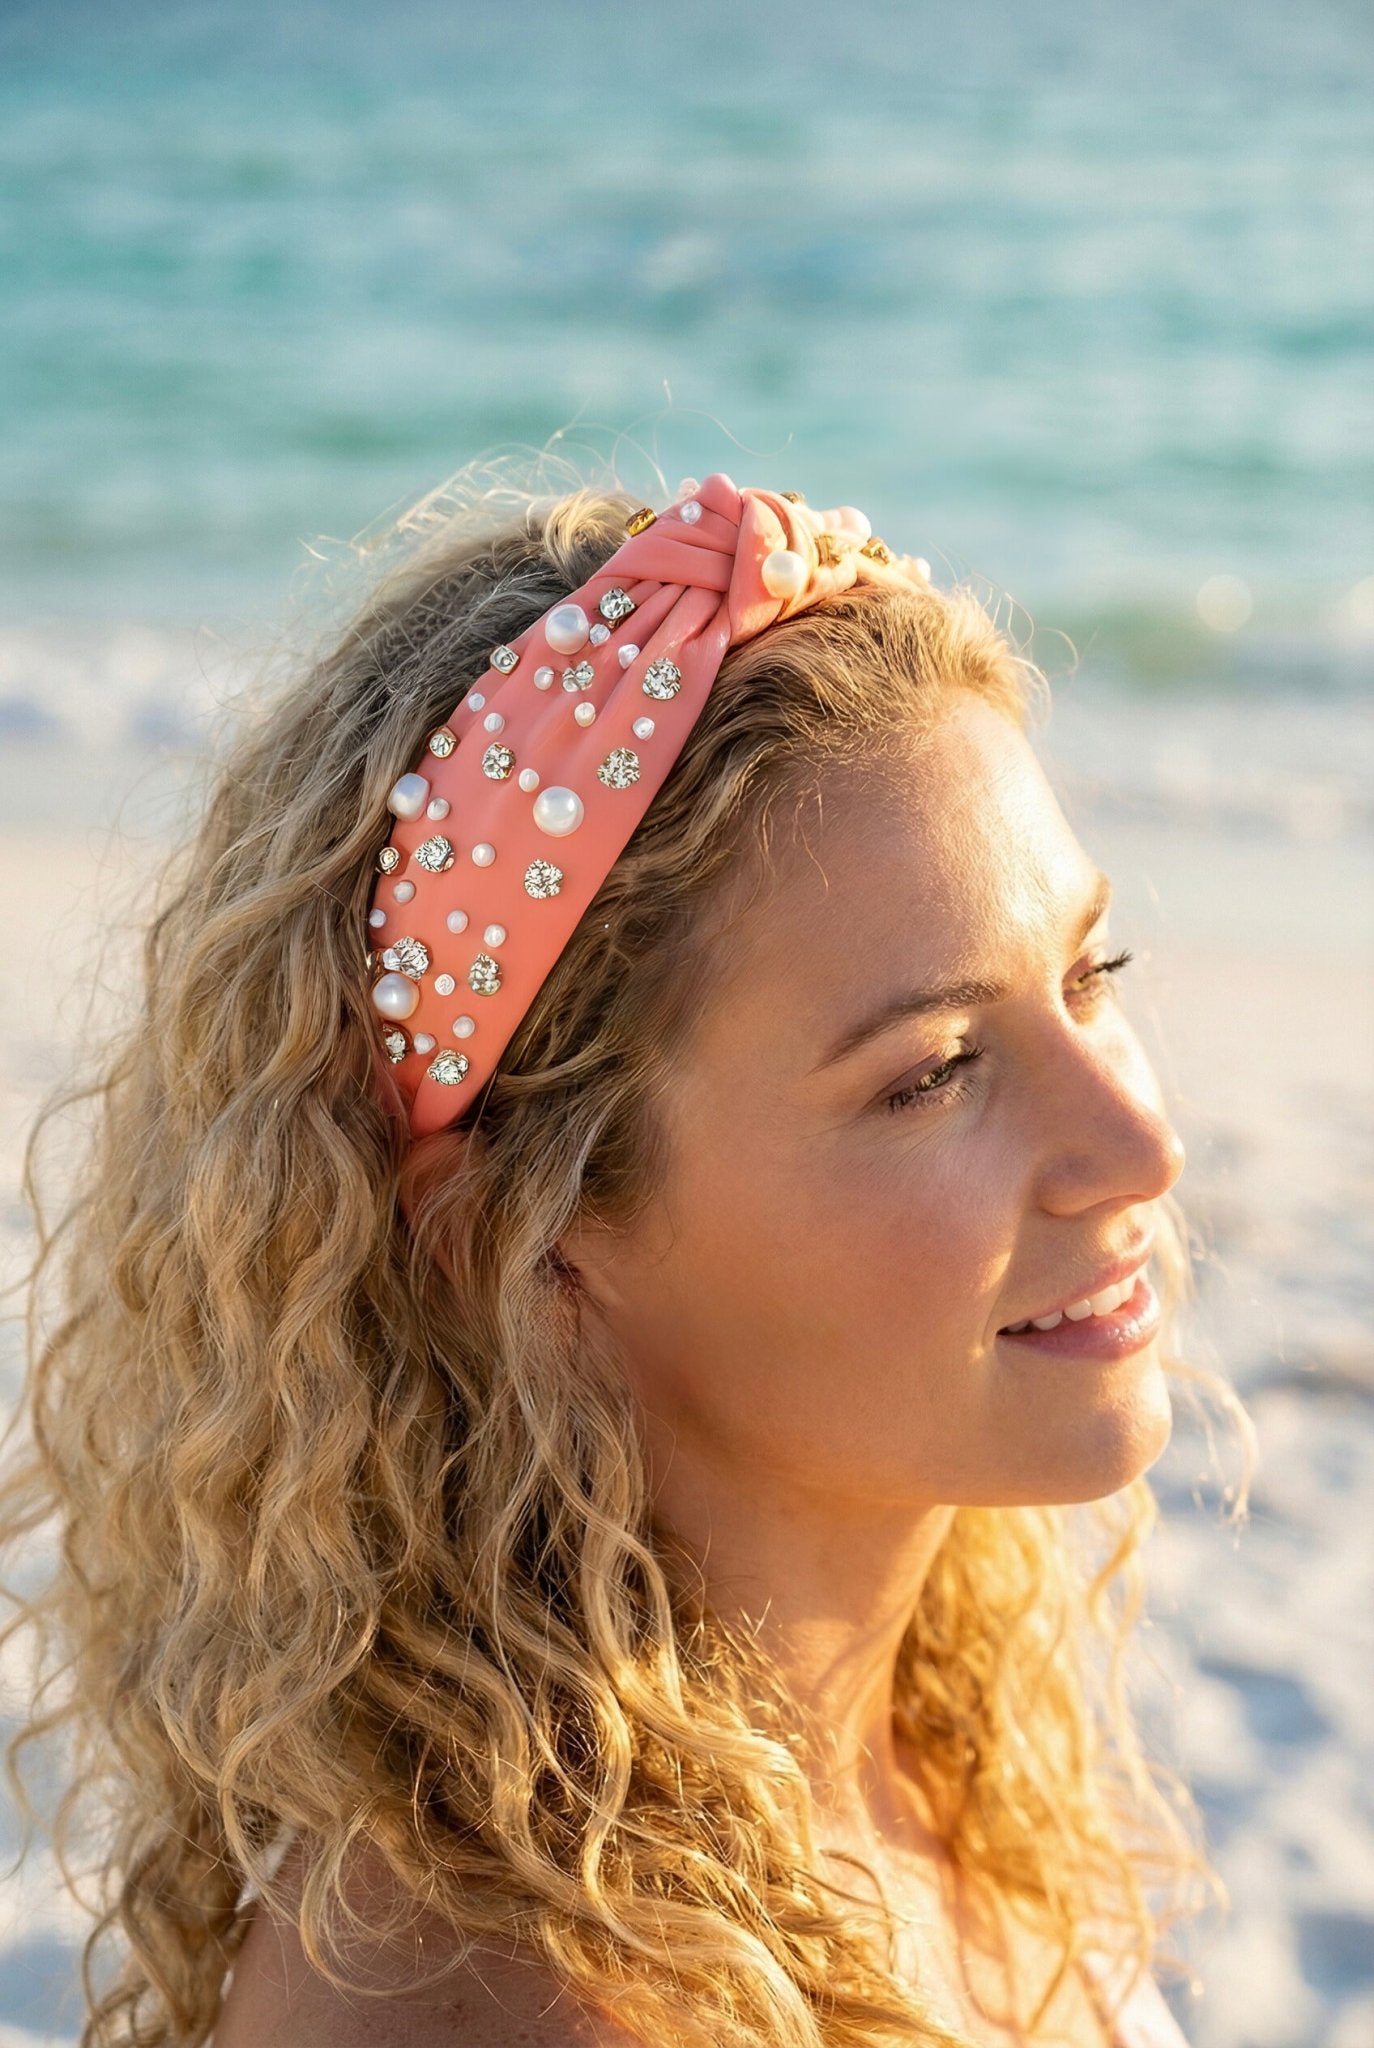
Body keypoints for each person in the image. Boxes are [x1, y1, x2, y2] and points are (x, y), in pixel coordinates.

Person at [1, 467, 1254, 2047]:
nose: (1140, 1148)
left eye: (1087, 972)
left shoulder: (908, 1738)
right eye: (930, 1071)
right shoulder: (522, 2003)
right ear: (521, 1241)